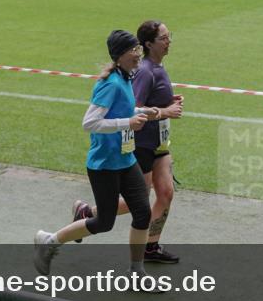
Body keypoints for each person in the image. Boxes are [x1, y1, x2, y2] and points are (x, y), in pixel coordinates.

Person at [33, 30, 163, 285]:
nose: (138, 54)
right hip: (105, 165)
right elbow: (89, 122)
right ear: (120, 55)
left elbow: (121, 109)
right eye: (133, 50)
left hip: (125, 160)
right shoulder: (110, 83)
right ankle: (49, 241)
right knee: (104, 222)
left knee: (142, 213)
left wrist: (142, 111)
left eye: (138, 49)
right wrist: (128, 122)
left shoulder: (126, 77)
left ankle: (136, 272)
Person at [71, 20, 183, 263]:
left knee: (163, 194)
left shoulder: (152, 68)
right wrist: (164, 112)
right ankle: (82, 217)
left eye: (168, 36)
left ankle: (148, 249)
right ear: (148, 43)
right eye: (163, 38)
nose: (169, 41)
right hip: (138, 144)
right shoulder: (140, 72)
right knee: (134, 205)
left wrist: (164, 104)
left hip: (158, 144)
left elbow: (138, 105)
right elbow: (130, 110)